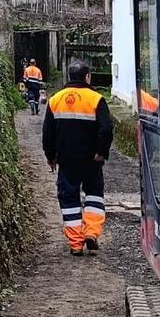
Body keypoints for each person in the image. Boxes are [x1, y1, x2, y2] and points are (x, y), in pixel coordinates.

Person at [42, 59, 113, 256]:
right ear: (87, 76)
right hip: (92, 161)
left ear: (69, 76)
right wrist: (101, 152)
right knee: (94, 196)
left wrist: (51, 156)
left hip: (66, 161)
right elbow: (106, 129)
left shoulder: (55, 100)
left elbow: (48, 132)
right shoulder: (96, 99)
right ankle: (91, 233)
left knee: (69, 199)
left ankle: (75, 244)